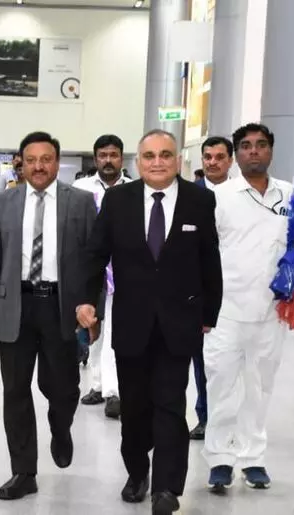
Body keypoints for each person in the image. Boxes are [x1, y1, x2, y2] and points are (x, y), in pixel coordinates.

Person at [77, 129, 223, 514]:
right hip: (131, 321)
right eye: (149, 156)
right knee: (136, 408)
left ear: (177, 160)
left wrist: (209, 313)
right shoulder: (117, 200)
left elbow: (209, 259)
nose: (157, 162)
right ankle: (138, 471)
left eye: (165, 155)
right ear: (138, 162)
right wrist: (86, 301)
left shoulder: (199, 200)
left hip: (180, 322)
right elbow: (95, 255)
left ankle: (166, 488)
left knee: (171, 405)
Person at [0, 131, 97, 501]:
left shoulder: (81, 202)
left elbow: (93, 262)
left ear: (57, 163)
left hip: (62, 307)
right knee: (15, 391)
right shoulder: (4, 201)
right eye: (31, 160)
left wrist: (92, 308)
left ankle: (60, 426)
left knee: (63, 388)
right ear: (21, 164)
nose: (38, 166)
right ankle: (23, 472)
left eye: (46, 159)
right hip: (17, 306)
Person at [202, 123, 292, 492]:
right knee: (221, 387)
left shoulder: (291, 194)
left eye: (261, 144)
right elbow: (203, 254)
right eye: (246, 146)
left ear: (271, 150)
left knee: (260, 387)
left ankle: (253, 458)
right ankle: (220, 459)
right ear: (236, 154)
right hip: (225, 310)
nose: (253, 151)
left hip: (273, 311)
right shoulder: (219, 197)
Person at [74, 134, 132, 420]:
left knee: (115, 333)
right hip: (90, 269)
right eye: (103, 155)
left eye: (113, 155)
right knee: (92, 329)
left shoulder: (134, 190)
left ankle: (113, 392)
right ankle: (97, 385)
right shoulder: (80, 189)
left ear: (121, 158)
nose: (108, 160)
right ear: (95, 158)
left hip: (122, 272)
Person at [189, 135, 233, 441]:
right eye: (208, 157)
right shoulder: (188, 195)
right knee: (201, 360)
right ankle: (205, 416)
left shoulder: (240, 195)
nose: (213, 162)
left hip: (236, 288)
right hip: (197, 290)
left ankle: (230, 420)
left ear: (230, 160)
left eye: (219, 157)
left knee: (232, 363)